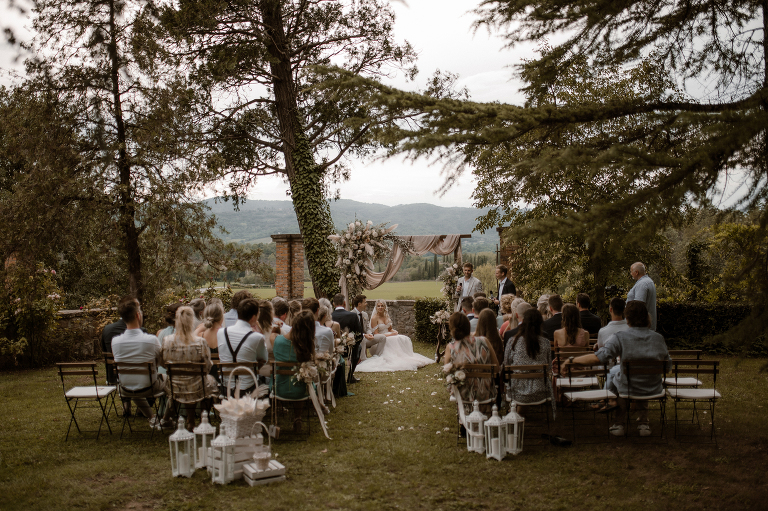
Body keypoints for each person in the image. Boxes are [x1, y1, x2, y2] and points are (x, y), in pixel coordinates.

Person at [561, 301, 671, 437]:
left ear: (627, 318)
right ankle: (643, 423)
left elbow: (599, 357)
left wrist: (571, 360)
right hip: (653, 388)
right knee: (626, 377)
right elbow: (668, 366)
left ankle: (619, 423)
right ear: (646, 317)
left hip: (628, 388)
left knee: (619, 377)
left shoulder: (620, 337)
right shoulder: (658, 338)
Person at [111, 296, 166, 429]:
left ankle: (152, 417)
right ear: (137, 315)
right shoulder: (151, 340)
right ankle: (167, 418)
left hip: (125, 388)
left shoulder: (115, 342)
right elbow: (163, 363)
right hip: (149, 387)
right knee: (173, 382)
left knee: (134, 383)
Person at [162, 306, 219, 431]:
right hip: (198, 386)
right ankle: (203, 419)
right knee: (209, 381)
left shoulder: (167, 341)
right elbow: (207, 367)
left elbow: (164, 362)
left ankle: (190, 420)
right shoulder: (200, 342)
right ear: (192, 321)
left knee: (191, 382)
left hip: (175, 386)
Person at [355, 299, 434, 372]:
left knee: (403, 338)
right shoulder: (374, 318)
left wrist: (394, 332)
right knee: (393, 339)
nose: (380, 307)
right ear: (376, 307)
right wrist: (391, 334)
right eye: (378, 306)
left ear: (385, 307)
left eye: (382, 306)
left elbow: (390, 329)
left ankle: (403, 356)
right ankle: (387, 356)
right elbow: (376, 334)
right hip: (380, 337)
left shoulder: (386, 316)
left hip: (389, 334)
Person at [444, 312, 498, 414]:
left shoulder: (451, 347)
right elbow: (496, 368)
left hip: (463, 394)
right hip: (486, 393)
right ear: (468, 325)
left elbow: (447, 372)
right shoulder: (484, 341)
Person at [504, 309, 554, 412]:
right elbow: (549, 366)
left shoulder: (513, 341)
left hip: (517, 392)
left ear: (523, 322)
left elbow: (507, 364)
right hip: (541, 391)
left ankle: (517, 410)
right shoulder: (545, 342)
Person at [273, 310, 316, 432]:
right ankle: (297, 417)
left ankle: (277, 412)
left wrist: (275, 330)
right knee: (301, 380)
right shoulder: (307, 346)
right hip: (301, 391)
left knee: (284, 378)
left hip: (279, 389)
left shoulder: (278, 341)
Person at [217, 298, 268, 394]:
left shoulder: (221, 332)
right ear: (253, 317)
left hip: (226, 387)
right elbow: (264, 359)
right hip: (248, 388)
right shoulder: (257, 337)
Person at [330, 294, 363, 383]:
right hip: (349, 349)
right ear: (344, 303)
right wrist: (353, 343)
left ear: (333, 304)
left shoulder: (329, 316)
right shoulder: (353, 316)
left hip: (332, 349)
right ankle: (350, 375)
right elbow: (359, 335)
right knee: (359, 347)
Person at [352, 294, 384, 362]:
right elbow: (352, 331)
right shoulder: (351, 314)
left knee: (382, 337)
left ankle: (377, 358)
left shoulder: (365, 314)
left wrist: (370, 334)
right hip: (356, 340)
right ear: (359, 304)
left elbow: (367, 328)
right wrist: (364, 335)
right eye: (365, 302)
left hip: (366, 338)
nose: (366, 304)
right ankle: (363, 360)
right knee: (362, 339)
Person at [627, 262, 658, 330]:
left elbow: (638, 307)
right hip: (646, 327)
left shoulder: (642, 284)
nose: (631, 274)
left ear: (636, 272)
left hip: (640, 328)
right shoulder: (649, 281)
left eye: (631, 271)